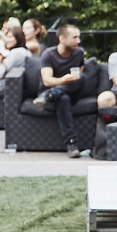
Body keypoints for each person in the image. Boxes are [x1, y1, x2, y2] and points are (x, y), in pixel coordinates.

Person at [31, 22, 85, 157]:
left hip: (68, 93)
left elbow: (78, 75)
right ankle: (71, 144)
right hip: (51, 96)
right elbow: (47, 80)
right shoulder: (48, 54)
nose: (78, 41)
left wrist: (70, 81)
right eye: (74, 37)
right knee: (63, 98)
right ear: (61, 38)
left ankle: (50, 95)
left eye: (79, 37)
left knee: (82, 77)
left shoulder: (79, 53)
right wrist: (64, 80)